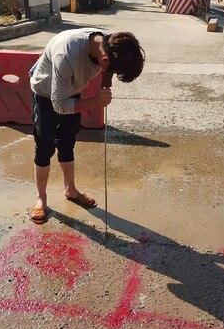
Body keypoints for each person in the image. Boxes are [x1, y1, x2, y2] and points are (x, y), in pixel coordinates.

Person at [29, 28, 145, 223]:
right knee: (44, 146)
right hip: (46, 93)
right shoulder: (65, 54)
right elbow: (59, 105)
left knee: (67, 142)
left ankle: (71, 190)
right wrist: (95, 102)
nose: (111, 74)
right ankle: (41, 198)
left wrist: (106, 80)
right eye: (113, 72)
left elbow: (104, 70)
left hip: (71, 89)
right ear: (105, 60)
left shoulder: (108, 44)